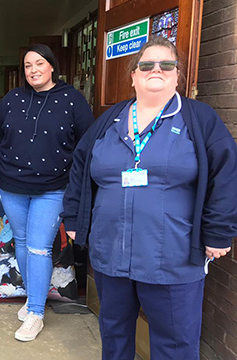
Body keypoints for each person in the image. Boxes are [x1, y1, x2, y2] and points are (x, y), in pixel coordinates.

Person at [62, 36, 237, 359]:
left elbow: (225, 175)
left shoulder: (198, 119)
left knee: (175, 343)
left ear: (177, 75)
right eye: (146, 64)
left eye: (166, 64)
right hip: (112, 252)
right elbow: (80, 167)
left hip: (173, 256)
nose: (156, 70)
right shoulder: (110, 120)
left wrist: (219, 230)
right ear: (133, 75)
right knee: (114, 334)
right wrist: (73, 218)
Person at [0, 44, 94, 342]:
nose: (33, 70)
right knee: (21, 242)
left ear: (51, 67)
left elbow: (86, 140)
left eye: (39, 63)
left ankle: (36, 312)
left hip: (53, 187)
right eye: (27, 65)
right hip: (11, 185)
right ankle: (33, 298)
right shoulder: (13, 99)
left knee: (38, 247)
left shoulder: (72, 99)